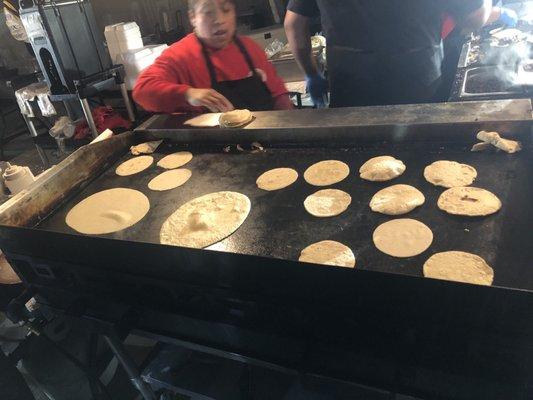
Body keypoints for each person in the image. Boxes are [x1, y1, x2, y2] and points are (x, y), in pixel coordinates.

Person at [284, 1, 493, 108]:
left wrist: (311, 73)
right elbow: (474, 19)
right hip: (417, 78)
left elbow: (293, 25)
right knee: (421, 153)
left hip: (351, 81)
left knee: (357, 156)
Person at [133, 0, 293, 114]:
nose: (219, 20)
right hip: (215, 152)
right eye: (208, 12)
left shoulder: (250, 48)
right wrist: (188, 94)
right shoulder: (180, 55)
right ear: (193, 18)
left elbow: (279, 95)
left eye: (226, 10)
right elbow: (142, 91)